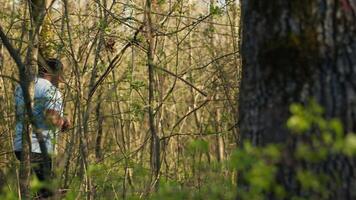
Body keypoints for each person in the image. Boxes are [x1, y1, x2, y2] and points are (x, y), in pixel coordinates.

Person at [14, 58, 70, 198]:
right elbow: (51, 118)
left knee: (38, 193)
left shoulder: (21, 86)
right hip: (39, 148)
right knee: (47, 194)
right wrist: (63, 122)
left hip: (20, 147)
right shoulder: (51, 90)